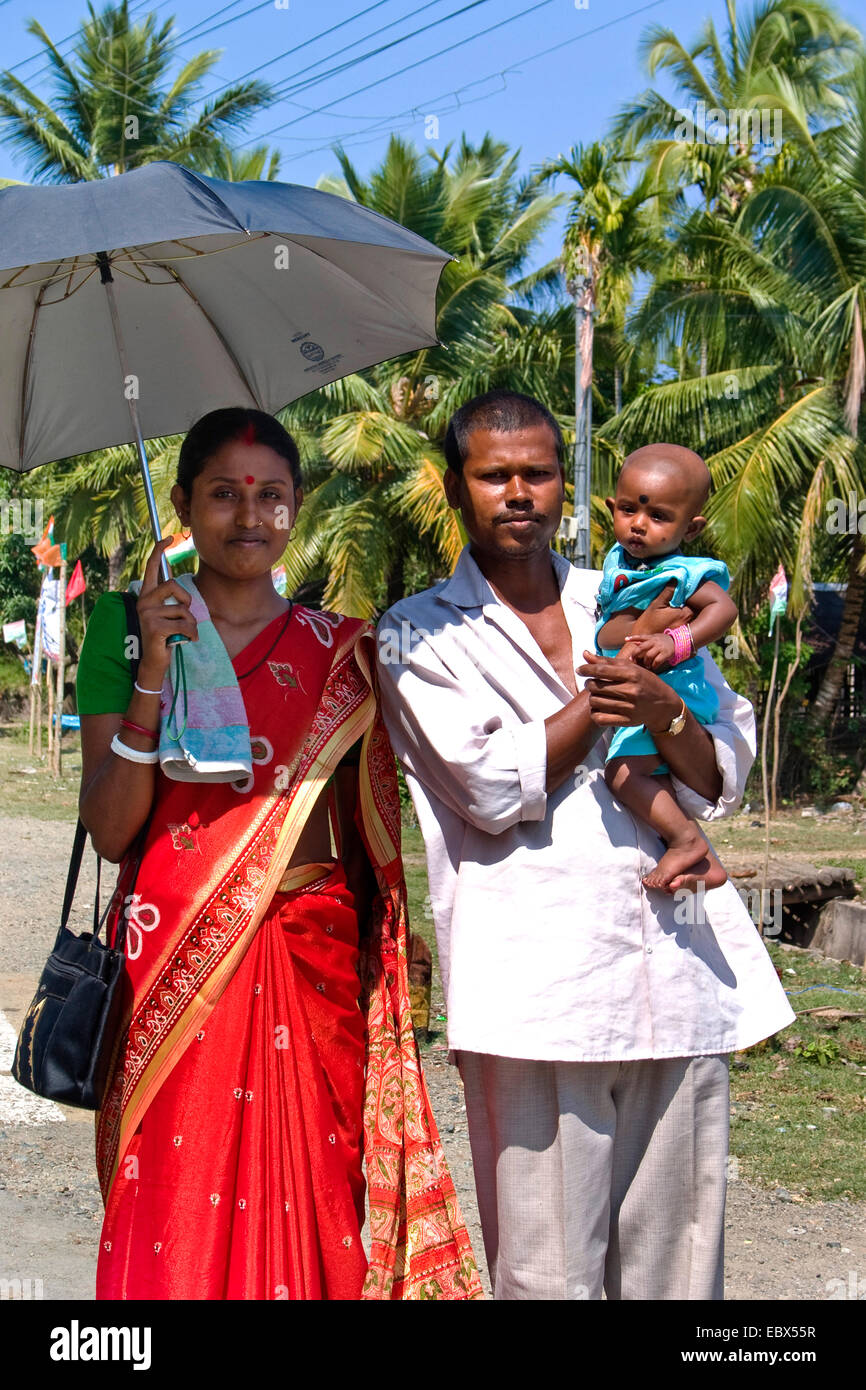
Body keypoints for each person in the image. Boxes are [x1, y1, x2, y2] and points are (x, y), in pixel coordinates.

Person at [376, 389, 794, 1301]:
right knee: (547, 1272)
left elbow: (718, 766)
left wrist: (665, 707)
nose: (518, 492)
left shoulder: (633, 589)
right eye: (495, 476)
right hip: (538, 993)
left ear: (570, 487)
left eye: (539, 473)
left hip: (675, 971)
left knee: (679, 1270)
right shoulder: (417, 629)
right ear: (458, 489)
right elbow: (488, 788)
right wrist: (614, 696)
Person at [77, 407, 480, 1302]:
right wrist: (154, 665)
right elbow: (111, 828)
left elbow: (369, 837)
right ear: (182, 505)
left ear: (297, 507)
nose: (248, 516)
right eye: (223, 494)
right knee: (176, 1198)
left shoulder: (344, 652)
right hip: (173, 954)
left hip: (312, 960)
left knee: (319, 1195)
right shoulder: (125, 627)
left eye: (271, 496)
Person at [596, 443, 738, 893]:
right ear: (610, 507)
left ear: (691, 528)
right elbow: (612, 630)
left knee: (623, 774)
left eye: (658, 517)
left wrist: (675, 640)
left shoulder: (685, 572)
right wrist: (638, 628)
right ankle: (706, 862)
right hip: (643, 687)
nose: (638, 525)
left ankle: (686, 842)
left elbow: (723, 610)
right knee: (654, 781)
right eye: (628, 510)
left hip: (675, 686)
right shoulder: (619, 564)